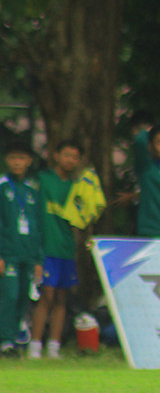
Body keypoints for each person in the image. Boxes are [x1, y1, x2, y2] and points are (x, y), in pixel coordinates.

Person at [28, 141, 82, 359]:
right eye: (67, 155)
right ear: (56, 155)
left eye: (74, 157)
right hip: (46, 248)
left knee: (62, 298)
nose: (70, 160)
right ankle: (34, 346)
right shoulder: (42, 180)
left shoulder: (76, 187)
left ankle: (54, 348)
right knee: (46, 297)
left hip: (66, 249)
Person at [0, 140, 43, 357]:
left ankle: (14, 338)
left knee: (23, 298)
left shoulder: (31, 191)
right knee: (9, 295)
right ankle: (5, 340)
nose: (17, 162)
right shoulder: (2, 187)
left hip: (28, 253)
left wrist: (38, 259)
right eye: (13, 158)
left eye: (22, 158)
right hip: (8, 254)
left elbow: (37, 226)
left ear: (29, 161)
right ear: (7, 160)